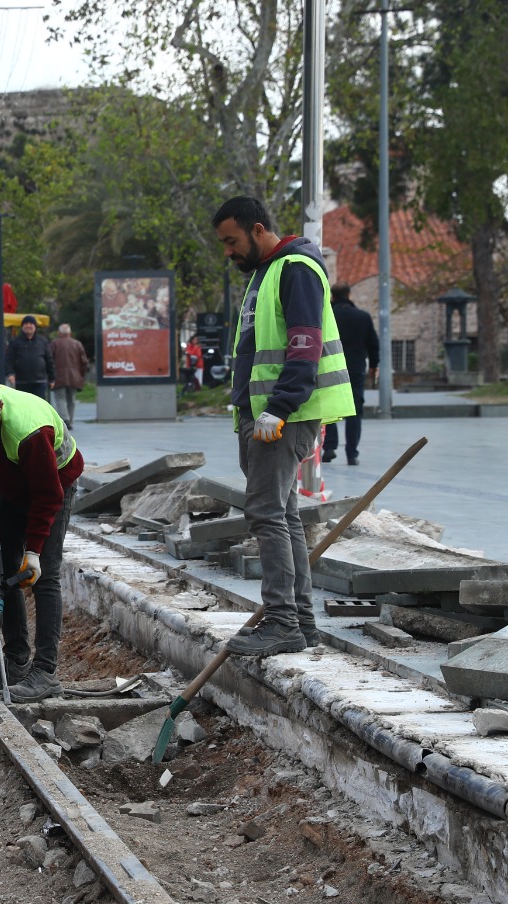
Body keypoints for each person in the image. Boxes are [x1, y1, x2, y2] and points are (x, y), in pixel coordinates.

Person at [212, 195, 355, 657]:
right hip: (263, 417)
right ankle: (300, 623)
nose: (228, 251)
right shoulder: (265, 274)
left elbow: (304, 345)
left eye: (232, 241)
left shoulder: (295, 269)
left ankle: (282, 622)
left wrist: (280, 407)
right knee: (283, 514)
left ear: (257, 229)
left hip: (282, 417)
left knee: (266, 513)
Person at [0, 378, 84, 701]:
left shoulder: (29, 432)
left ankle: (46, 673)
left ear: (0, 409)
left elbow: (48, 495)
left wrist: (34, 551)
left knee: (45, 574)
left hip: (55, 482)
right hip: (11, 483)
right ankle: (17, 660)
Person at [322, 283, 379, 466]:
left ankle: (329, 447)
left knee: (330, 407)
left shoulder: (327, 316)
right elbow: (373, 344)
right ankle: (352, 453)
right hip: (355, 369)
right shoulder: (363, 317)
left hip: (331, 367)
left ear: (333, 296)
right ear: (349, 294)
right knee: (355, 411)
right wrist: (374, 366)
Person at [48, 323, 91, 429]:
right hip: (74, 377)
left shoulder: (54, 344)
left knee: (60, 398)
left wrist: (50, 375)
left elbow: (49, 360)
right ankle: (70, 420)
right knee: (71, 399)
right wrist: (81, 375)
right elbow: (84, 362)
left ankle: (65, 419)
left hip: (58, 376)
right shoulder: (77, 344)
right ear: (70, 333)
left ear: (59, 333)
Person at [0, 314, 52, 398]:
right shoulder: (15, 342)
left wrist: (52, 378)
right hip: (21, 382)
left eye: (31, 324)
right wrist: (10, 374)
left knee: (38, 407)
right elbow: (9, 359)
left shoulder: (42, 341)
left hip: (39, 382)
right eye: (26, 324)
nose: (28, 326)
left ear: (35, 327)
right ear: (22, 327)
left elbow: (49, 360)